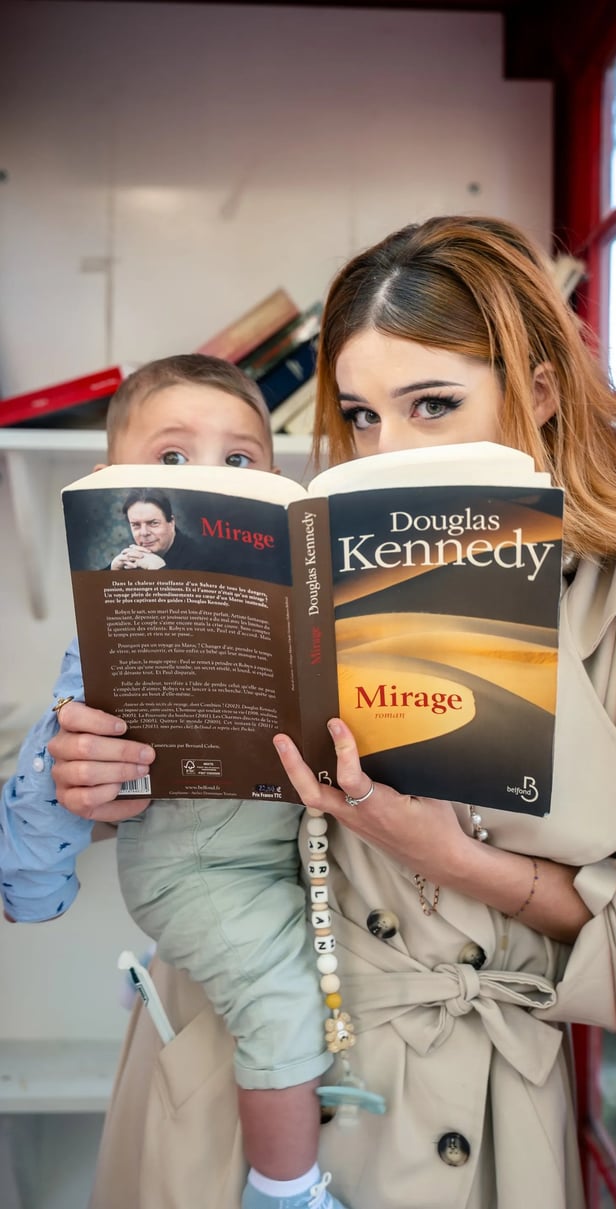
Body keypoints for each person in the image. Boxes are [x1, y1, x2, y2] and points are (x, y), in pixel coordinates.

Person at [6, 217, 616, 1209]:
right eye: (360, 417)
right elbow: (188, 807)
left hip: (469, 1096)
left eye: (432, 405)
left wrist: (447, 857)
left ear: (537, 396)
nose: (385, 449)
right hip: (246, 1073)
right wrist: (87, 777)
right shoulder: (305, 558)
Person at [0, 352, 351, 1209]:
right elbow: (36, 839)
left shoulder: (295, 600)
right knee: (280, 1002)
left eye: (240, 461)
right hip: (195, 869)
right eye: (171, 458)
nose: (207, 477)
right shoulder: (107, 624)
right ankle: (286, 1190)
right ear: (110, 488)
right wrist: (59, 785)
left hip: (284, 863)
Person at [109, 488, 201, 570]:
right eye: (136, 525)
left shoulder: (200, 559)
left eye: (154, 523)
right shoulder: (130, 558)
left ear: (171, 522)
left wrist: (160, 570)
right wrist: (112, 571)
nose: (144, 533)